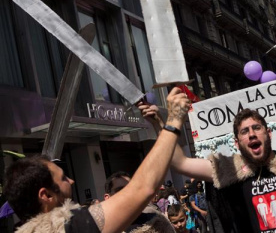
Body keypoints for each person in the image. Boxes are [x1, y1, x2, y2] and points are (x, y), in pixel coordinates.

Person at [4, 87, 190, 233]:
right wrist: (173, 122)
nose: (72, 180)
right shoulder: (68, 227)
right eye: (62, 178)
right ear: (46, 196)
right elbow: (143, 188)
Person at [141, 105, 276, 232]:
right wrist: (161, 124)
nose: (252, 134)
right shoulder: (231, 170)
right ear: (238, 142)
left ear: (268, 133)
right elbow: (180, 163)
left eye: (256, 128)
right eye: (245, 132)